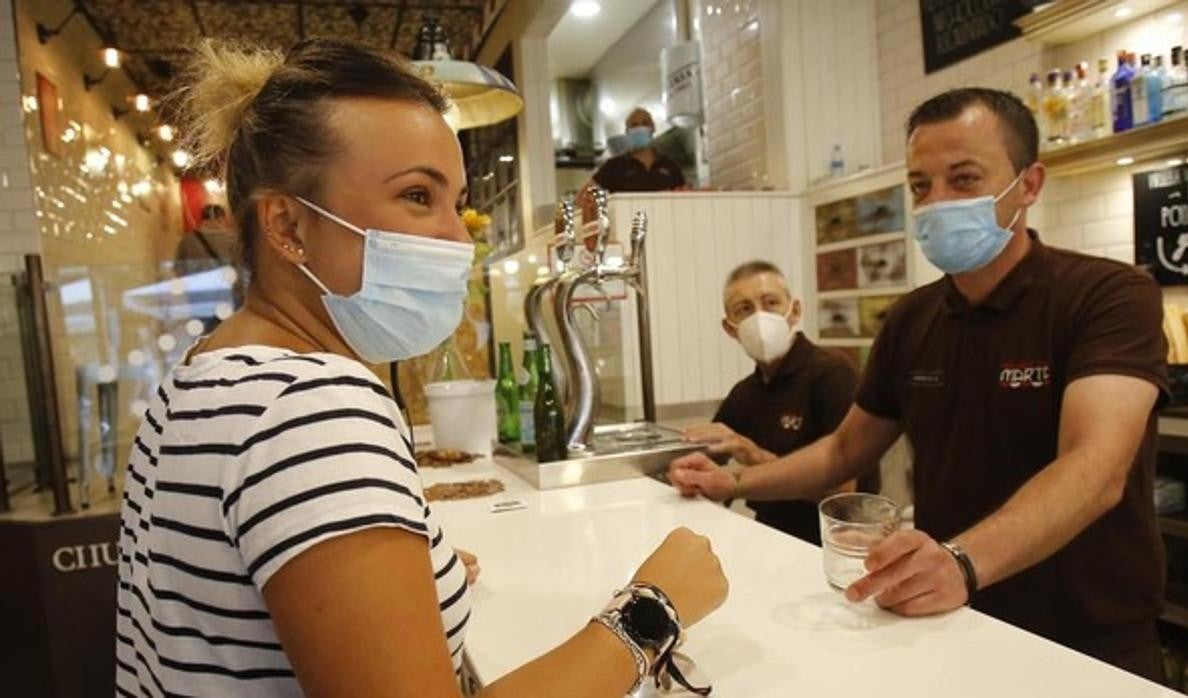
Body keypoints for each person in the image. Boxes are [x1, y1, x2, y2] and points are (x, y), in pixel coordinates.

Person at [116, 38, 727, 697]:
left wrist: (410, 577)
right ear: (288, 226)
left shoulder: (200, 376)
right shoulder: (312, 407)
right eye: (415, 196)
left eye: (456, 202)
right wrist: (651, 612)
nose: (458, 239)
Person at [669, 87, 1168, 681]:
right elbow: (844, 449)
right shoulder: (913, 319)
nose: (936, 204)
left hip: (1086, 637)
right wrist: (735, 480)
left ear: (1029, 185)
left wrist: (961, 561)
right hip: (950, 620)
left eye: (963, 179)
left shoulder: (1107, 296)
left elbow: (1096, 468)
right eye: (920, 187)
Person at [680, 260, 870, 545]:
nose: (759, 318)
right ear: (730, 328)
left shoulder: (833, 375)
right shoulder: (745, 393)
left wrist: (751, 455)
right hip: (770, 537)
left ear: (794, 311)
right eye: (743, 310)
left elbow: (843, 495)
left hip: (834, 543)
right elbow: (705, 459)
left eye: (770, 303)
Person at [585, 107, 685, 193]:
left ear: (653, 128)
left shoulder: (670, 166)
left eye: (644, 123)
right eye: (634, 125)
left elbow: (684, 196)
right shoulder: (614, 166)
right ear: (627, 132)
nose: (640, 128)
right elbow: (585, 195)